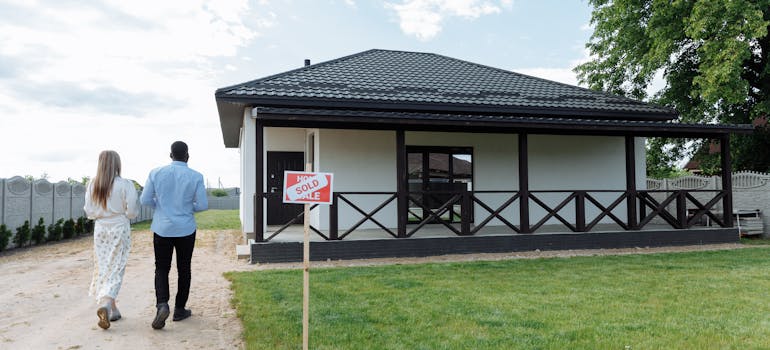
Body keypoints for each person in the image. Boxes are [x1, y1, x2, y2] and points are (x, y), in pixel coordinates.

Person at [140, 141, 208, 330]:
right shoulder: (196, 176)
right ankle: (179, 309)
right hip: (186, 228)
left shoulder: (156, 173)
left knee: (161, 268)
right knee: (184, 268)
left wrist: (161, 208)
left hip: (162, 228)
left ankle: (162, 304)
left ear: (170, 155)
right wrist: (187, 208)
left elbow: (145, 199)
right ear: (187, 156)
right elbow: (202, 205)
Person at [84, 150, 139, 330]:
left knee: (104, 266)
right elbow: (132, 211)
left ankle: (113, 310)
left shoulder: (93, 184)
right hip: (119, 227)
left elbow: (89, 211)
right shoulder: (125, 184)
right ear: (117, 164)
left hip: (100, 229)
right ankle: (106, 304)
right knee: (116, 267)